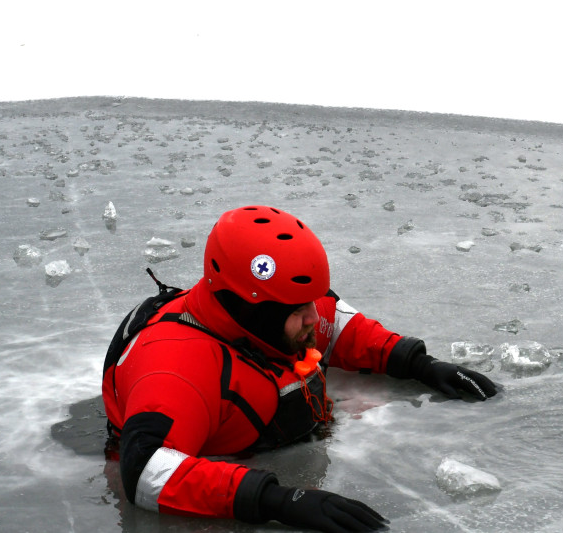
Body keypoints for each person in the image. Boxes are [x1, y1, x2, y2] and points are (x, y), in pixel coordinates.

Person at [102, 205, 498, 531]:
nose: (314, 316)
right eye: (299, 308)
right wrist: (276, 499)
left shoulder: (271, 315)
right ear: (250, 309)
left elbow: (338, 323)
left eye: (311, 300)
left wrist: (419, 364)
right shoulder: (176, 369)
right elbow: (145, 472)